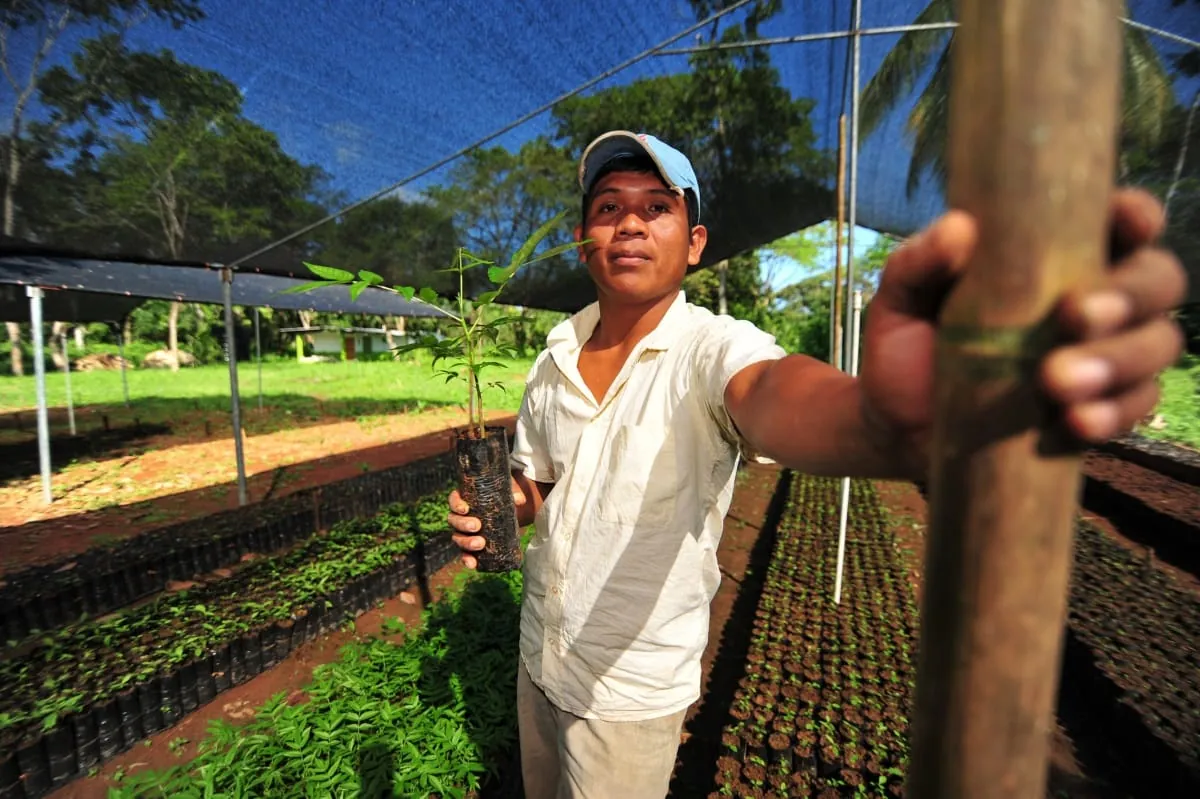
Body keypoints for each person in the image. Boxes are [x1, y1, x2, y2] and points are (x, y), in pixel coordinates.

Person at [447, 130, 1187, 799]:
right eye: (608, 207)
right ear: (582, 239)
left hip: (629, 687)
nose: (630, 222)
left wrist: (883, 420)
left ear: (695, 242)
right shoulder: (554, 359)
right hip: (539, 652)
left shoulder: (711, 349)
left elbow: (773, 390)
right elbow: (542, 483)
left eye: (657, 207)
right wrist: (510, 504)